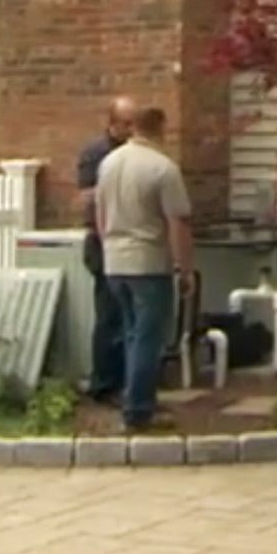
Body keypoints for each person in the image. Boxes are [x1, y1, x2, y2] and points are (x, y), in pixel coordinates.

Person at [92, 105, 194, 432]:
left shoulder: (109, 163)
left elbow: (100, 211)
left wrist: (108, 241)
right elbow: (177, 222)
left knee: (130, 332)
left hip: (114, 260)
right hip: (148, 261)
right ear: (161, 128)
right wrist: (184, 268)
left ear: (135, 128)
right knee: (147, 339)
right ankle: (138, 410)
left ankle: (132, 398)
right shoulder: (163, 168)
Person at [75, 96, 136, 403]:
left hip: (128, 243)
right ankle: (104, 382)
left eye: (133, 122)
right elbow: (88, 201)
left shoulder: (134, 153)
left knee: (127, 316)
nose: (131, 128)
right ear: (111, 123)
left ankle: (126, 379)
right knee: (109, 315)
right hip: (102, 243)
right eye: (126, 123)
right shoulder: (96, 154)